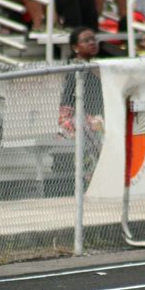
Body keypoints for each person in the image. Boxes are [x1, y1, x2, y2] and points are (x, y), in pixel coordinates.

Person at [60, 27, 103, 180]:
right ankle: (90, 175)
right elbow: (67, 102)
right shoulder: (74, 69)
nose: (92, 43)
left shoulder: (100, 67)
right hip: (79, 119)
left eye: (93, 39)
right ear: (75, 47)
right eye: (86, 41)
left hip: (98, 116)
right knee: (92, 124)